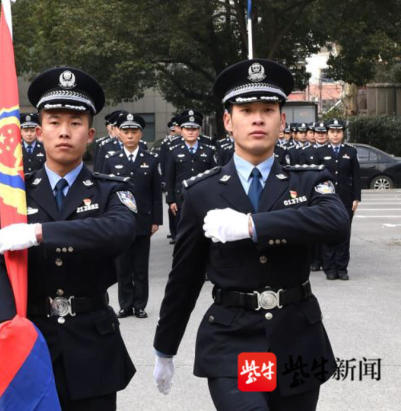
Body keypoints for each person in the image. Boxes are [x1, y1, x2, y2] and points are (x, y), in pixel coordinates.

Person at [152, 59, 350, 410]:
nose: (257, 118)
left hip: (296, 336)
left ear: (281, 120)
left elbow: (335, 221)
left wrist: (252, 226)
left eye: (268, 109)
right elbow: (185, 277)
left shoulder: (307, 179)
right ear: (229, 121)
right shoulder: (204, 192)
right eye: (246, 110)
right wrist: (165, 348)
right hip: (237, 337)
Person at [0, 66, 137, 410]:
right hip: (31, 337)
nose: (64, 132)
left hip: (91, 341)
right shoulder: (13, 195)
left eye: (75, 122)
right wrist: (4, 324)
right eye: (54, 122)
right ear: (38, 131)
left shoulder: (110, 190)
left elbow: (118, 231)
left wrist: (40, 233)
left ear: (91, 134)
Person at [102, 112, 162, 319]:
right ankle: (125, 304)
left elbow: (156, 193)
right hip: (119, 221)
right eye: (126, 131)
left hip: (143, 220)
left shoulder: (151, 159)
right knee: (123, 265)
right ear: (119, 133)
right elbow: (105, 192)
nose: (129, 135)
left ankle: (140, 305)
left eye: (133, 132)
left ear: (140, 134)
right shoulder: (111, 160)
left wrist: (156, 220)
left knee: (140, 266)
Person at [316, 118, 360, 280]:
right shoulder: (320, 152)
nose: (335, 135)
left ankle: (342, 268)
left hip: (346, 199)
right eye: (332, 132)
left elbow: (356, 177)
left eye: (338, 132)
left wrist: (357, 198)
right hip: (325, 199)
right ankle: (329, 268)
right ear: (327, 133)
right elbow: (316, 178)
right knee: (328, 233)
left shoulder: (351, 151)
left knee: (344, 233)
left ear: (343, 133)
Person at [165, 110, 217, 228]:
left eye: (194, 129)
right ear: (182, 131)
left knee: (203, 230)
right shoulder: (174, 151)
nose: (191, 132)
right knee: (183, 231)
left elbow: (214, 176)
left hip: (204, 197)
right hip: (181, 198)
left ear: (199, 130)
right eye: (187, 129)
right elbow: (169, 177)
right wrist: (171, 200)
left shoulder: (209, 151)